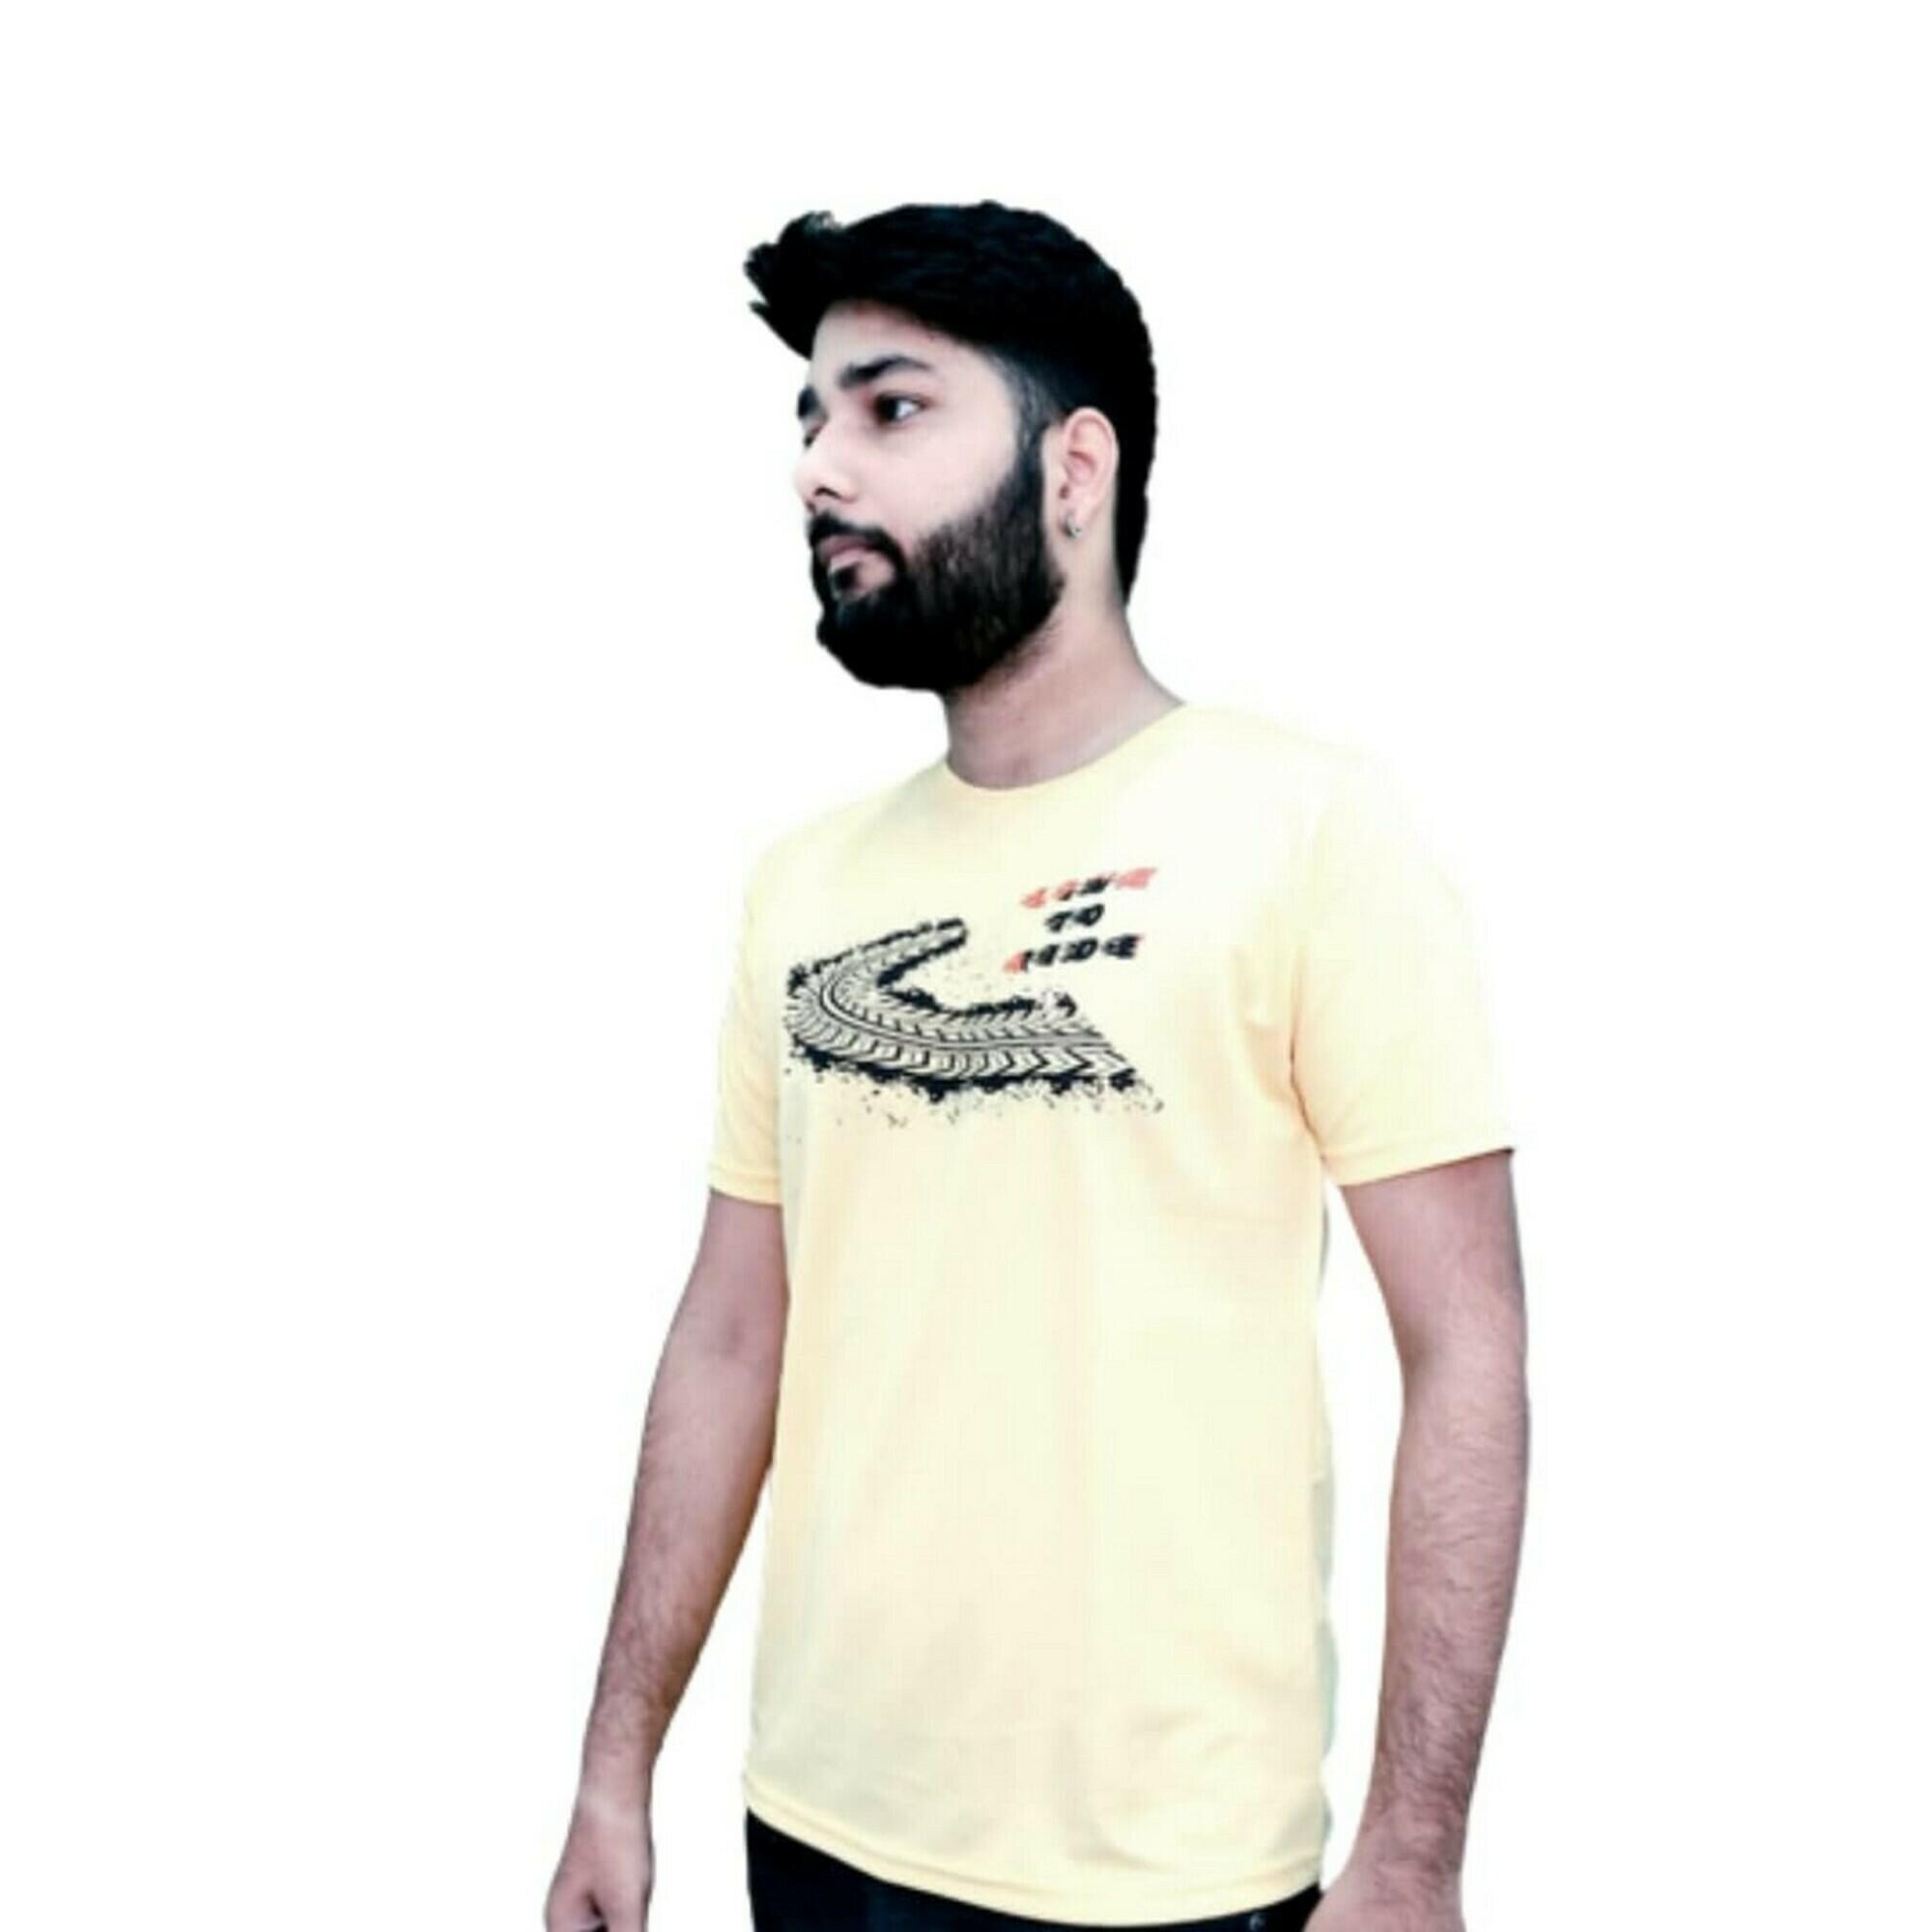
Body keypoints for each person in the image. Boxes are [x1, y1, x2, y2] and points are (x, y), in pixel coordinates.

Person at [545, 201, 1527, 1932]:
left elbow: (1467, 1353)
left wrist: (1414, 1853)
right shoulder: (803, 885)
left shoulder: (1310, 831)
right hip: (816, 1828)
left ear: (1076, 469)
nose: (819, 468)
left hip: (1165, 1875)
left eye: (891, 408)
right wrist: (614, 1767)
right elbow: (729, 1336)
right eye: (811, 417)